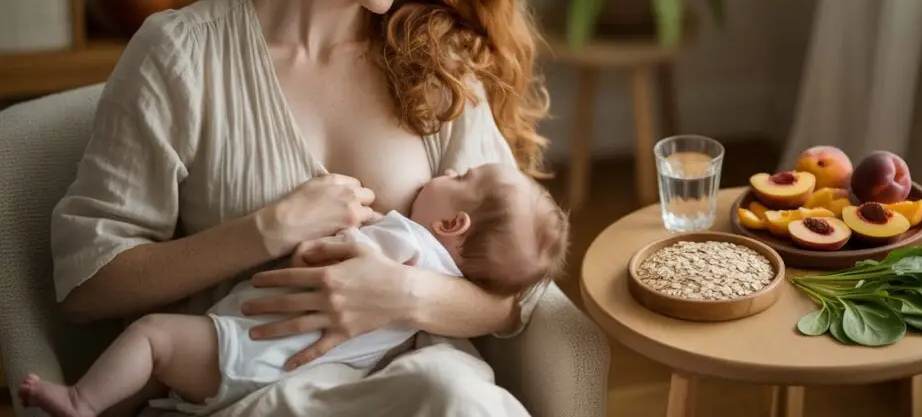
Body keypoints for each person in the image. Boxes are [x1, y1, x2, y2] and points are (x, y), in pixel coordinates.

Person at [43, 0, 555, 416]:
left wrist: (401, 295)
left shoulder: (435, 63)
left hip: (420, 389)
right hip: (255, 390)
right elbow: (87, 285)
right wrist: (266, 230)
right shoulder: (183, 56)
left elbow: (515, 296)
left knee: (452, 393)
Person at [21, 163, 570, 417]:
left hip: (246, 344)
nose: (450, 166)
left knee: (151, 339)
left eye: (462, 176)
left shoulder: (405, 239)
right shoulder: (445, 282)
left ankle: (81, 400)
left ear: (452, 225)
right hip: (287, 373)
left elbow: (317, 262)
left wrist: (322, 231)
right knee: (160, 363)